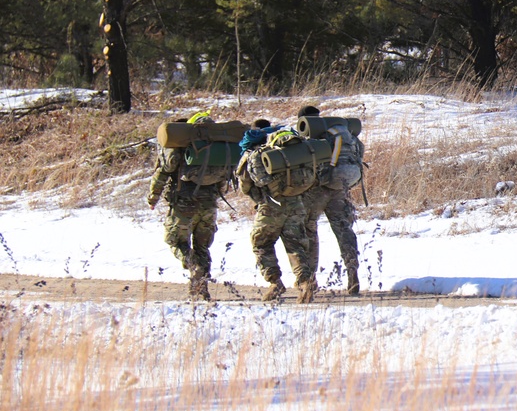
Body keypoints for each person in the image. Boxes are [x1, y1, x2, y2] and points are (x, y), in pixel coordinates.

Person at [147, 111, 231, 301]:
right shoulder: (218, 147)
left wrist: (153, 198)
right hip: (209, 205)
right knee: (202, 247)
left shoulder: (178, 147)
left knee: (176, 241)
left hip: (184, 204)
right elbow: (222, 182)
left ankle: (194, 268)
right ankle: (201, 288)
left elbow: (163, 172)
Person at [236, 120, 318, 304]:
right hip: (296, 204)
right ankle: (305, 282)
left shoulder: (254, 155)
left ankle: (275, 283)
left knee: (260, 243)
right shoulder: (291, 152)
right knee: (296, 246)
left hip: (270, 206)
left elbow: (245, 185)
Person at [298, 105, 363, 295]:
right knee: (344, 229)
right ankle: (352, 271)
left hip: (317, 190)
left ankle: (309, 279)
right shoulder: (342, 133)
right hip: (340, 189)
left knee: (309, 229)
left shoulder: (311, 136)